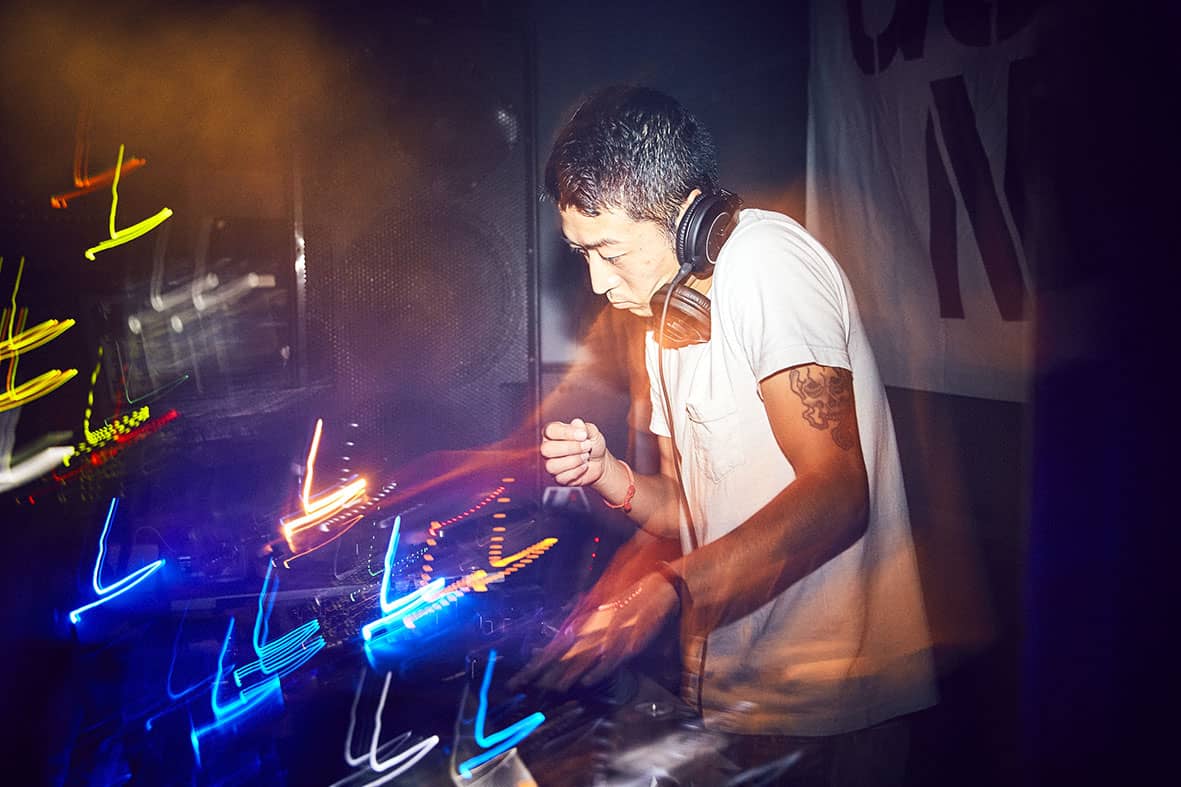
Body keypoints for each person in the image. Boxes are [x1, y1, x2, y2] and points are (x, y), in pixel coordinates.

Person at [512, 85, 936, 785]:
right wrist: (608, 474)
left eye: (608, 251)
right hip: (739, 695)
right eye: (581, 253)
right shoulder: (664, 321)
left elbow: (837, 493)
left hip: (829, 700)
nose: (597, 281)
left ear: (687, 219)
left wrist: (665, 590)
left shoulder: (768, 264)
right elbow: (688, 513)